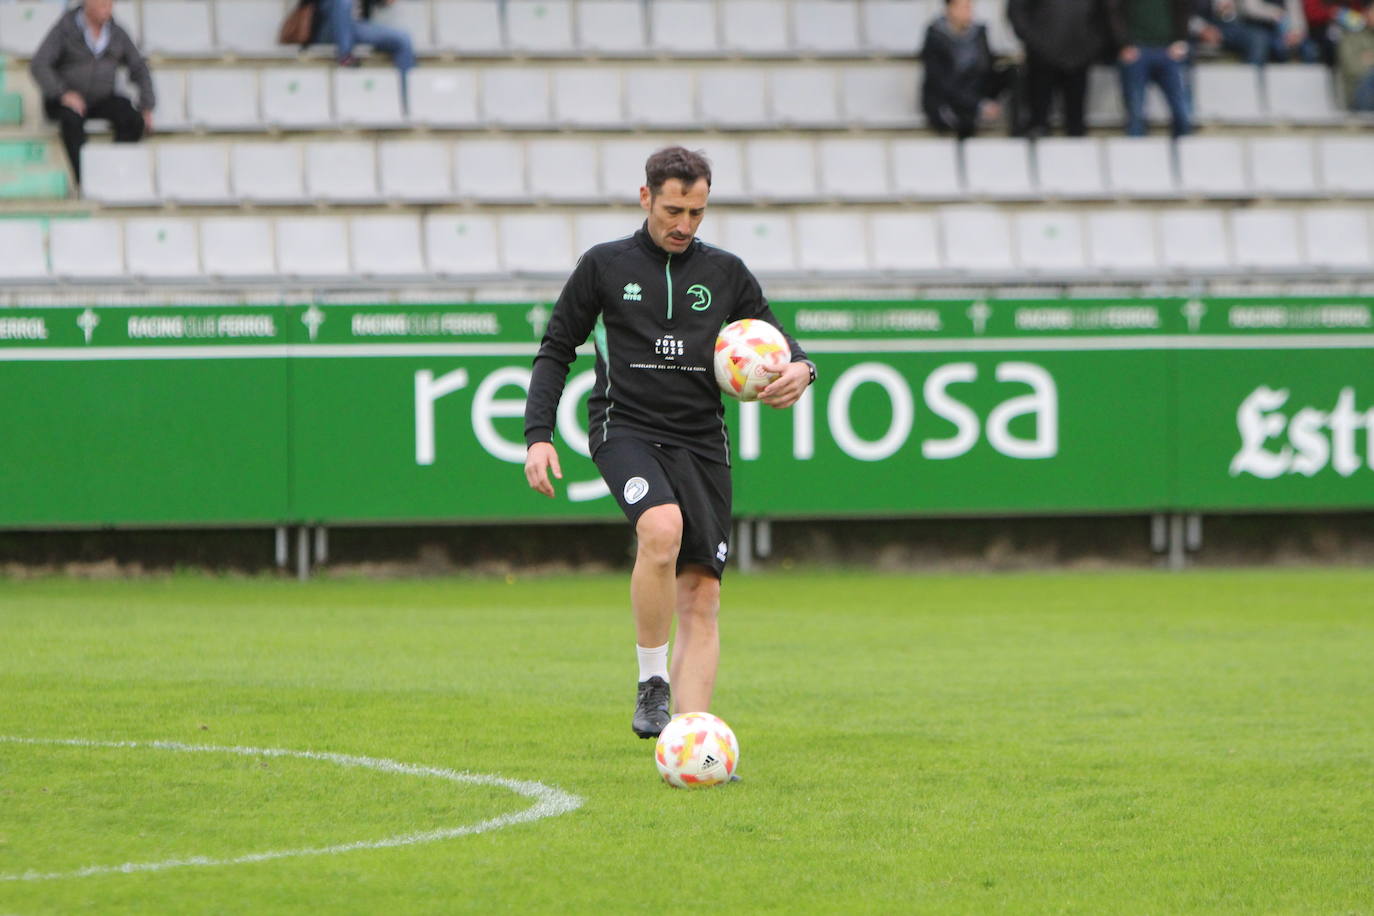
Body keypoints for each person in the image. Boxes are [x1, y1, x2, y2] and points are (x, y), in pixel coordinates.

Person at [522, 147, 815, 740]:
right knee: (661, 530)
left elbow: (784, 343)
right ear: (646, 198)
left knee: (702, 595)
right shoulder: (604, 265)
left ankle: (691, 742)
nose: (684, 225)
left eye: (697, 213)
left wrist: (802, 371)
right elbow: (556, 349)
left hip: (702, 439)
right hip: (625, 428)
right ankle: (651, 681)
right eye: (673, 211)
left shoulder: (727, 272)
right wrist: (538, 436)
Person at [28, 0, 153, 186]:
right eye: (103, 4)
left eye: (110, 4)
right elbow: (39, 64)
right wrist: (63, 93)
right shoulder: (66, 28)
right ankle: (86, 180)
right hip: (65, 100)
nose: (108, 8)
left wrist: (147, 105)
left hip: (101, 99)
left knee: (132, 118)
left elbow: (139, 67)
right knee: (71, 120)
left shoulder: (117, 33)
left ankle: (113, 171)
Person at [1008, 0, 1109, 136]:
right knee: (1038, 123)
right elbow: (1017, 12)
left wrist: (1092, 45)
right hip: (1041, 60)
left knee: (1076, 124)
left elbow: (1105, 14)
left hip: (1079, 58)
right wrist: (1035, 43)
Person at [920, 0, 1012, 138]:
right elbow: (940, 81)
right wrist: (978, 105)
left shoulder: (979, 33)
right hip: (949, 100)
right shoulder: (935, 37)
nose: (969, 12)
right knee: (963, 119)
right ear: (950, 9)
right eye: (964, 7)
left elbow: (987, 69)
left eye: (970, 7)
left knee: (1014, 72)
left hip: (975, 91)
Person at [1106, 0, 1194, 137]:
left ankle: (1184, 147)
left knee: (1182, 111)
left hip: (1168, 50)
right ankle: (1136, 149)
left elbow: (1184, 8)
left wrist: (1181, 40)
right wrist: (1123, 44)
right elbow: (1114, 11)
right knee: (1135, 112)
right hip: (1136, 51)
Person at [307, 0, 416, 80]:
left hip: (356, 28)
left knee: (403, 39)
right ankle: (345, 56)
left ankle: (407, 99)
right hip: (328, 29)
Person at [1337, 0, 1374, 109]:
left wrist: (1369, 58)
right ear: (1366, 13)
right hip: (1358, 93)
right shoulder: (1352, 36)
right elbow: (1352, 68)